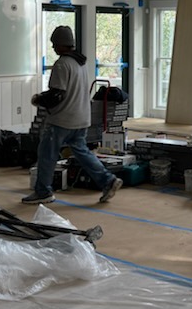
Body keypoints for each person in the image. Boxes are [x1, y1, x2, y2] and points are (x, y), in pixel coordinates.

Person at [22, 26, 122, 205]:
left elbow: (57, 95)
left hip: (62, 119)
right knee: (82, 152)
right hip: (81, 118)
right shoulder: (80, 63)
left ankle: (43, 191)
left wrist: (39, 99)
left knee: (46, 154)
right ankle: (108, 180)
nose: (53, 47)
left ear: (62, 44)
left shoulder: (62, 64)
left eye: (55, 44)